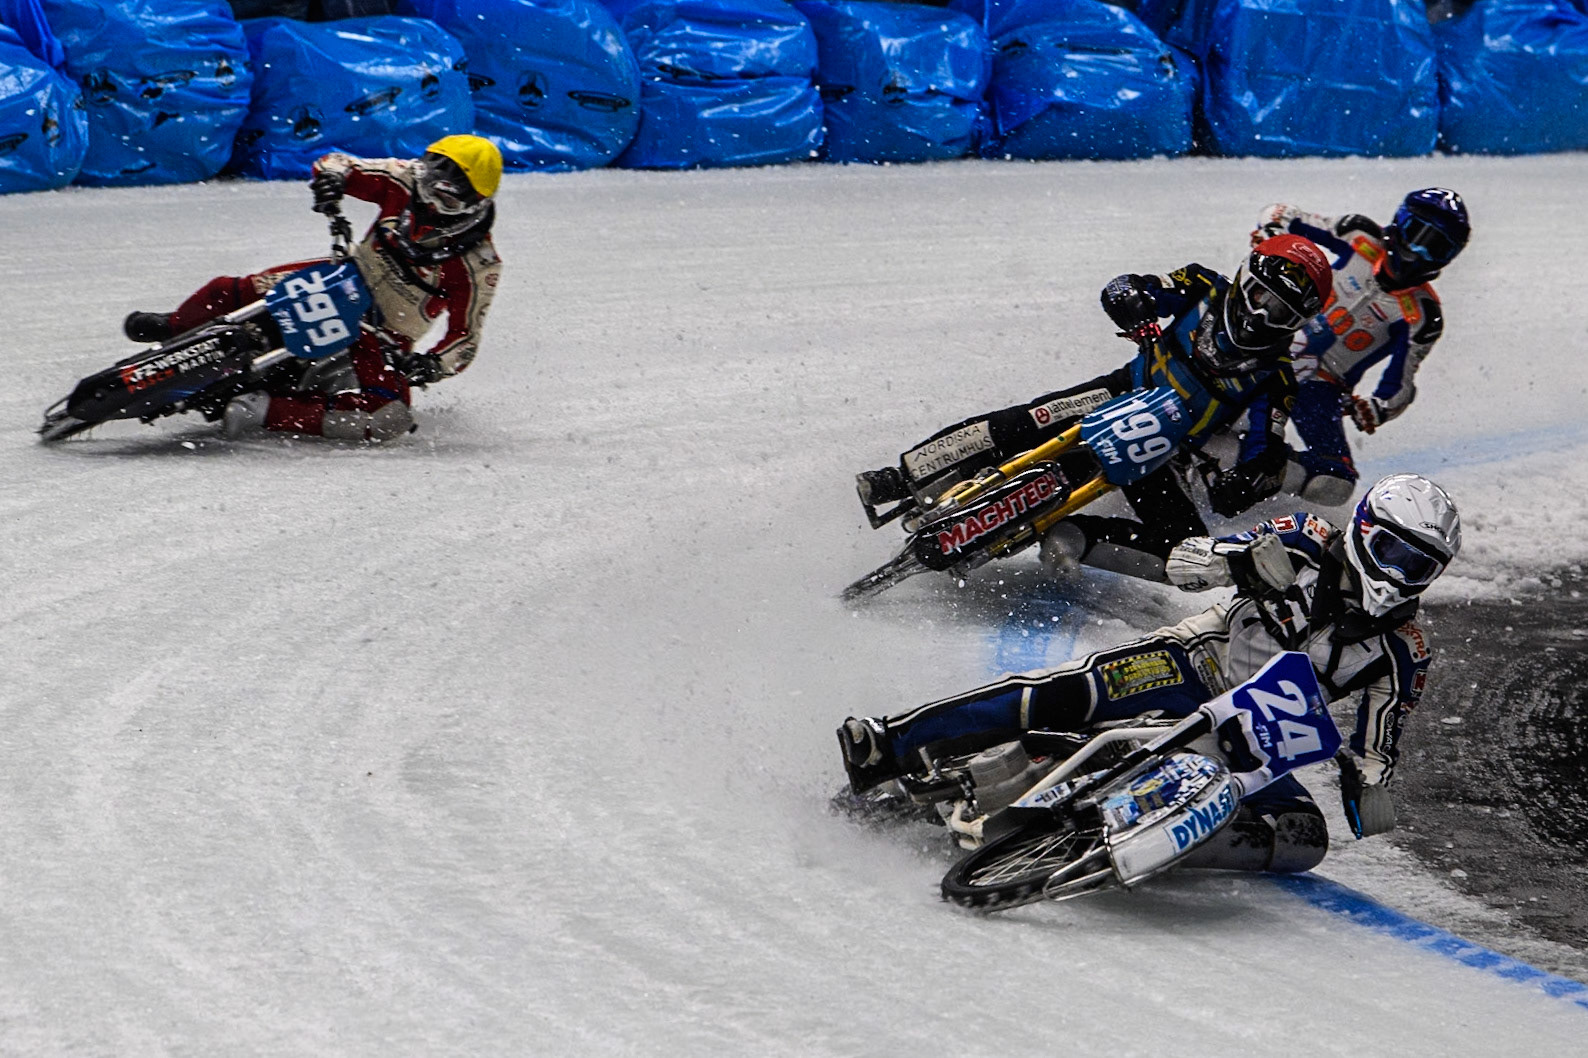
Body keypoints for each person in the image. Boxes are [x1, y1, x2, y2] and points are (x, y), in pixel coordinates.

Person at [837, 472, 1461, 872]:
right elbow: (1189, 562)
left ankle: (1129, 841)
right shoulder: (1304, 537)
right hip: (1192, 662)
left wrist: (1368, 782)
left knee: (1304, 838)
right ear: (1362, 534)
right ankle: (888, 742)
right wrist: (1239, 562)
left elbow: (1380, 741)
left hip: (1256, 740)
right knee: (1066, 693)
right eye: (1393, 552)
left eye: (1421, 565)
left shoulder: (1405, 650)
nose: (1402, 574)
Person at [855, 235, 1333, 583]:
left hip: (1164, 451)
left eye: (1282, 313)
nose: (1263, 316)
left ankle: (1078, 536)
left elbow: (1264, 444)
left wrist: (1247, 481)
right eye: (1261, 298)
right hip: (1118, 392)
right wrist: (1136, 307)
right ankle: (902, 475)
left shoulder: (1278, 375)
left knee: (1188, 550)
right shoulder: (1202, 284)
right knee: (1025, 420)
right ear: (1246, 278)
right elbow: (1125, 286)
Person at [123, 134, 503, 442]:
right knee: (232, 289)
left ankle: (264, 409)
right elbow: (338, 161)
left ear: (475, 204)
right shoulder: (401, 178)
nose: (431, 202)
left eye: (447, 196)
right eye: (429, 181)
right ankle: (177, 325)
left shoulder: (478, 265)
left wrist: (430, 365)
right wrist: (332, 181)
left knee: (387, 419)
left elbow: (465, 339)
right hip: (340, 282)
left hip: (382, 334)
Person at [1242, 188, 1469, 505]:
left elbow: (1401, 385)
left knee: (1335, 482)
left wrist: (1376, 408)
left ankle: (1256, 473)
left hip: (1321, 385)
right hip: (1271, 334)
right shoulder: (1359, 235)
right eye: (1416, 234)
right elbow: (1281, 213)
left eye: (1436, 248)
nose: (1419, 252)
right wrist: (1272, 236)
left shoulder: (1423, 315)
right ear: (1399, 222)